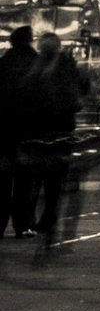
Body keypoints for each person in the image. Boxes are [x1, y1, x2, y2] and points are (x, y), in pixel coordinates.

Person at [26, 33, 86, 235]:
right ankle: (47, 216)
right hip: (61, 127)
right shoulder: (67, 66)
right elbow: (81, 90)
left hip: (42, 128)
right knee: (53, 178)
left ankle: (38, 217)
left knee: (39, 176)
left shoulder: (38, 68)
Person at [0, 26, 41, 237]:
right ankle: (23, 224)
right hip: (29, 131)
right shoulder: (37, 64)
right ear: (30, 40)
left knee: (2, 180)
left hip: (5, 131)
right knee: (26, 181)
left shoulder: (3, 64)